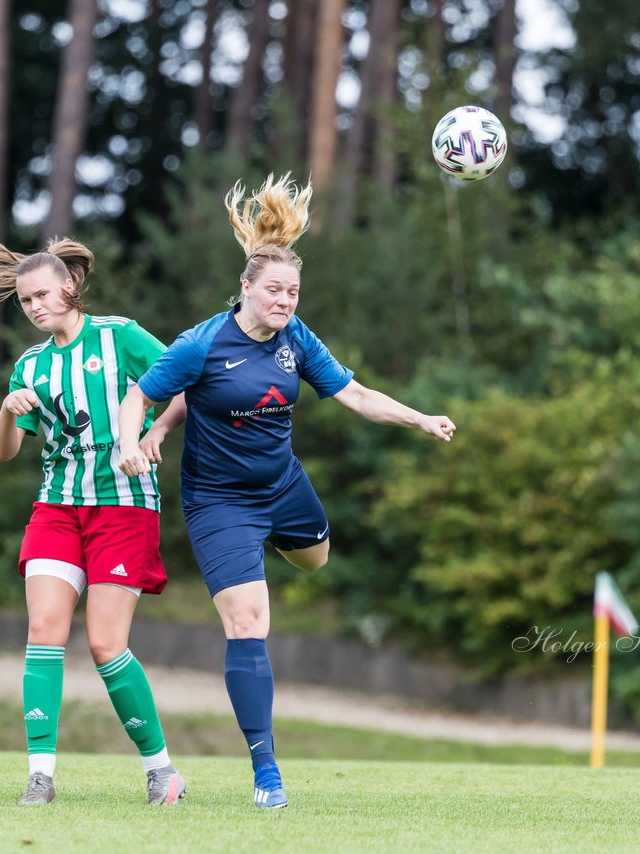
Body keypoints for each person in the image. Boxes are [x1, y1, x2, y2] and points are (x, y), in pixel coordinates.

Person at [117, 174, 456, 809]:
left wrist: (419, 417)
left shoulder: (296, 339)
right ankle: (266, 771)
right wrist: (131, 441)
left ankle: (270, 546)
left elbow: (354, 395)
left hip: (285, 487)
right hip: (220, 504)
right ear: (245, 289)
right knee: (249, 622)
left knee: (317, 558)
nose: (285, 301)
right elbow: (140, 394)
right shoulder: (201, 342)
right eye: (273, 290)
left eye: (293, 292)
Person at [0, 236, 187, 807]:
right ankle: (40, 776)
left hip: (124, 507)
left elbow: (185, 384)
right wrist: (5, 412)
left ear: (70, 287)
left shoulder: (119, 336)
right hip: (57, 508)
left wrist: (152, 433)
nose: (35, 307)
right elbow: (4, 452)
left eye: (41, 295)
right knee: (44, 632)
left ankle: (161, 771)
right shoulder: (30, 365)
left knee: (106, 645)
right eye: (25, 301)